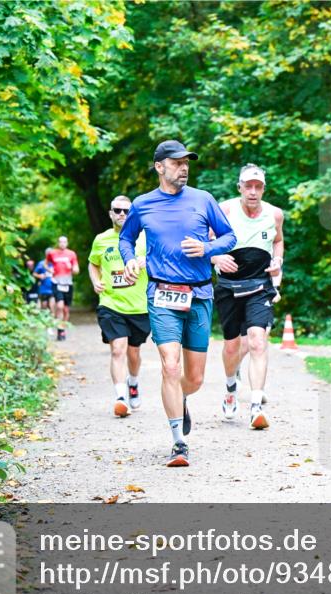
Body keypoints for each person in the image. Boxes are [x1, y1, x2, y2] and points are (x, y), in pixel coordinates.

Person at [119, 140, 236, 467]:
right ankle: (178, 442)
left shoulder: (203, 200)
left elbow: (229, 237)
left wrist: (208, 248)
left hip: (199, 293)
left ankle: (181, 396)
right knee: (170, 364)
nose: (183, 168)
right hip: (162, 293)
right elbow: (126, 238)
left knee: (194, 378)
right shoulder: (143, 204)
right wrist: (129, 260)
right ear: (159, 167)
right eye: (176, 163)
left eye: (186, 163)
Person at [212, 164, 284, 430]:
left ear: (264, 188)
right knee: (232, 347)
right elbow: (206, 240)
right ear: (239, 187)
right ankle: (231, 386)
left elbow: (278, 241)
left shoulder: (274, 214)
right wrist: (215, 256)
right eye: (248, 186)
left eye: (258, 186)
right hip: (229, 286)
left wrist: (278, 261)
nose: (253, 192)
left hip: (259, 285)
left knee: (257, 341)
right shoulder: (225, 210)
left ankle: (255, 407)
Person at [88, 195, 149, 418]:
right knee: (118, 349)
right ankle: (121, 397)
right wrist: (95, 281)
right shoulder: (101, 239)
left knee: (134, 352)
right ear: (111, 213)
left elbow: (162, 260)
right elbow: (93, 264)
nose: (122, 214)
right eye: (118, 210)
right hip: (111, 303)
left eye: (126, 211)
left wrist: (146, 262)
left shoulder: (144, 238)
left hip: (139, 305)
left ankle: (133, 383)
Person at [47, 236, 79, 341]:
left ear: (67, 243)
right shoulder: (52, 253)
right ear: (58, 243)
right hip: (57, 282)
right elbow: (46, 264)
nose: (62, 244)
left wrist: (72, 268)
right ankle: (59, 328)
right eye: (60, 242)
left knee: (65, 309)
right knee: (59, 306)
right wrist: (50, 270)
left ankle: (62, 329)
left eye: (64, 242)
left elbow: (76, 270)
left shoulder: (71, 254)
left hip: (68, 283)